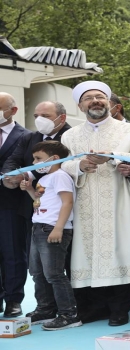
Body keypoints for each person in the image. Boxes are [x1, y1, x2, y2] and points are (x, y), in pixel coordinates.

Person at [61, 80, 130, 326]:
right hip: (84, 202)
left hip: (119, 199)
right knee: (87, 253)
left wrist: (114, 158)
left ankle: (120, 308)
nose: (95, 101)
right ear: (80, 105)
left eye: (100, 97)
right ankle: (95, 307)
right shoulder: (70, 134)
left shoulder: (129, 130)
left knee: (121, 249)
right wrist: (79, 165)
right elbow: (60, 164)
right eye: (88, 98)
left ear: (109, 103)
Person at [2, 101, 72, 272]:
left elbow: (70, 168)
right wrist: (10, 176)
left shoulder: (72, 136)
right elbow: (14, 160)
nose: (39, 120)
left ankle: (69, 299)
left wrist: (30, 175)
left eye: (45, 116)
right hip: (34, 210)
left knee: (63, 265)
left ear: (61, 117)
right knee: (37, 267)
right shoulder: (30, 137)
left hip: (62, 213)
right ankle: (44, 299)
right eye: (36, 116)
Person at [19, 141, 81, 330]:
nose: (34, 162)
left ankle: (69, 314)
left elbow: (67, 202)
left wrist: (59, 227)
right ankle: (45, 309)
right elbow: (40, 201)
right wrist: (30, 189)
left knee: (54, 274)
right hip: (38, 227)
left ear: (54, 158)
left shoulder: (60, 176)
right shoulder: (45, 178)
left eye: (38, 158)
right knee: (37, 272)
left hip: (52, 228)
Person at [0, 92, 31, 318]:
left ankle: (13, 300)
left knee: (12, 252)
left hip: (11, 202)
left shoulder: (27, 136)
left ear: (13, 111)